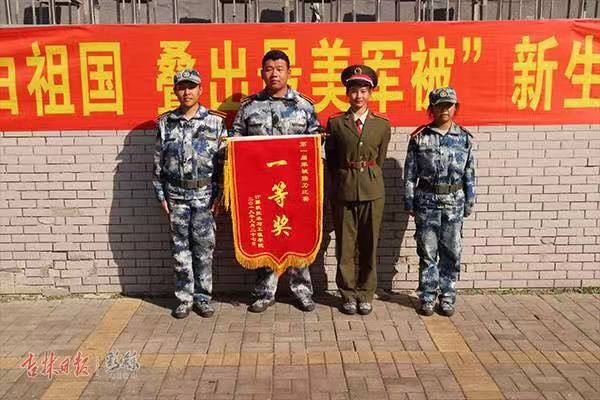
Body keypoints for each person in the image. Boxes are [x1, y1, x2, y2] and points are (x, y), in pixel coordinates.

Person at [232, 50, 322, 313]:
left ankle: (302, 291)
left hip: (295, 187)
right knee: (264, 236)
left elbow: (317, 143)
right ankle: (264, 292)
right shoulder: (249, 107)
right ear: (262, 73)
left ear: (289, 72)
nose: (274, 74)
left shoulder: (304, 106)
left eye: (279, 68)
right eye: (269, 69)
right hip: (261, 187)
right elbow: (235, 140)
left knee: (298, 236)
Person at [153, 68, 227, 319]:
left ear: (200, 90)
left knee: (204, 250)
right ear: (175, 91)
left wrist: (221, 195)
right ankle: (184, 299)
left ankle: (203, 298)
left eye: (191, 87)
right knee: (180, 250)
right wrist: (161, 196)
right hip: (176, 195)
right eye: (182, 87)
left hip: (205, 196)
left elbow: (224, 164)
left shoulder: (215, 122)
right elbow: (157, 164)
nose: (187, 92)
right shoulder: (166, 123)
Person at [325, 65, 391, 315]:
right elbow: (332, 160)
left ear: (370, 93)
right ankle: (348, 294)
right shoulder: (335, 123)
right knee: (345, 245)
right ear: (347, 93)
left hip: (372, 191)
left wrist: (366, 173)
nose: (358, 96)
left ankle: (366, 294)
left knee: (369, 244)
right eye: (354, 91)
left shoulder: (381, 124)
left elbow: (379, 158)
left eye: (363, 91)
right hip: (344, 189)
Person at [403, 87, 476, 317]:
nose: (444, 110)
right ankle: (427, 296)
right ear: (431, 109)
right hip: (427, 203)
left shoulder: (464, 138)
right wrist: (409, 202)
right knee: (427, 252)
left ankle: (447, 297)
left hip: (454, 203)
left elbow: (469, 173)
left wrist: (470, 201)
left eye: (448, 105)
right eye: (439, 105)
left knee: (451, 252)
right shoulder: (419, 137)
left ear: (455, 108)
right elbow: (410, 174)